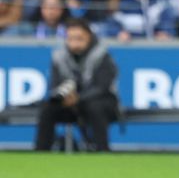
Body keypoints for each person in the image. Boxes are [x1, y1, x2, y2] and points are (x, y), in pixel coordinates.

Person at [35, 18, 119, 152]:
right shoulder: (59, 56)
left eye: (79, 38)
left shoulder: (102, 55)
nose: (74, 43)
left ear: (89, 37)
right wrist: (63, 97)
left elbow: (102, 87)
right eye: (70, 38)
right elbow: (55, 85)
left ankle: (102, 150)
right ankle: (40, 152)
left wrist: (78, 98)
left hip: (101, 102)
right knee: (48, 108)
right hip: (69, 102)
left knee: (95, 106)